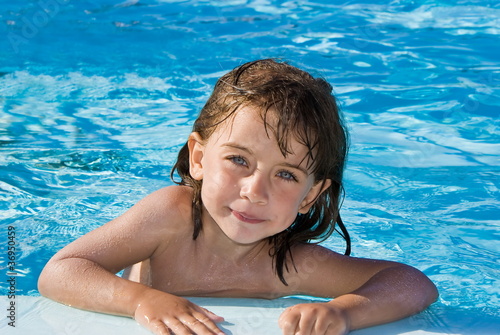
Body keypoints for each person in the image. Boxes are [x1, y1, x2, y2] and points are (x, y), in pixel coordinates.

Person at [38, 59, 438, 335]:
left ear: (310, 195)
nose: (254, 191)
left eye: (285, 174)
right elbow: (61, 271)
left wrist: (343, 312)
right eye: (238, 160)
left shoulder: (288, 266)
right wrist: (143, 301)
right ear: (198, 158)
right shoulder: (170, 217)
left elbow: (412, 283)